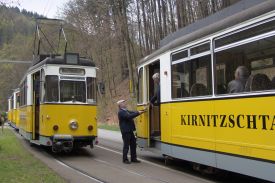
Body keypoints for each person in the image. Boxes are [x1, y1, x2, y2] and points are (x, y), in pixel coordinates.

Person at [117, 99, 145, 164]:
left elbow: (132, 112)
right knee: (126, 145)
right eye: (123, 103)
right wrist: (138, 113)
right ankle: (125, 159)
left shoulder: (126, 110)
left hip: (130, 130)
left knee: (133, 144)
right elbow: (129, 116)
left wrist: (141, 111)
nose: (125, 103)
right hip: (126, 131)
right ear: (120, 105)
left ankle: (133, 158)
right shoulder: (121, 112)